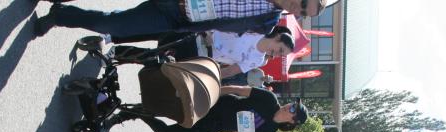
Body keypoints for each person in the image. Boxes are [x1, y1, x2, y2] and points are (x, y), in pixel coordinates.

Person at [33, 0, 331, 42]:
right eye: (305, 5)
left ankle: (60, 15)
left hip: (177, 16)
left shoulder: (266, 23)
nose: (299, 10)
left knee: (115, 26)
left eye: (304, 14)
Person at [112, 86, 308, 132]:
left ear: (292, 122)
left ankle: (134, 113)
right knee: (166, 109)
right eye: (292, 104)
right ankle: (128, 113)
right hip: (214, 105)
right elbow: (235, 89)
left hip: (212, 127)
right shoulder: (268, 98)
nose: (290, 106)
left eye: (293, 110)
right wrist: (207, 94)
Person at [115, 27, 293, 81]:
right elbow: (227, 21)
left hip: (201, 56)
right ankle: (114, 36)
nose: (276, 55)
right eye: (280, 50)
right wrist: (208, 31)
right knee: (156, 33)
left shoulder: (258, 60)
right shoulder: (257, 29)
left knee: (157, 61)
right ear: (277, 37)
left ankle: (117, 53)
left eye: (280, 55)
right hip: (198, 35)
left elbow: (231, 71)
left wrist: (209, 78)